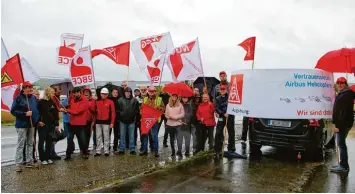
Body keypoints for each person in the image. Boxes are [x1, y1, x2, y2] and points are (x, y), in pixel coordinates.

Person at [11, 81, 39, 172]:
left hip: (31, 124)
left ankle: (29, 161)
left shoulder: (33, 98)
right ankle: (18, 163)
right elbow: (13, 111)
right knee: (21, 144)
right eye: (29, 87)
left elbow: (36, 109)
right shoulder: (18, 98)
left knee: (30, 143)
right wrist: (24, 113)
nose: (31, 88)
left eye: (31, 87)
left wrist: (37, 120)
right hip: (21, 125)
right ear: (24, 89)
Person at [330, 77, 355, 173]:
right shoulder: (343, 94)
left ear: (345, 84)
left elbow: (343, 113)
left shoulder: (347, 94)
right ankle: (342, 164)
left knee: (341, 144)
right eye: (338, 83)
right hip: (342, 124)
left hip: (342, 125)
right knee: (341, 144)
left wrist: (337, 126)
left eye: (342, 83)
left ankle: (344, 166)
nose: (340, 84)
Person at [63, 87, 89, 160]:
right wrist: (66, 107)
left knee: (82, 139)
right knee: (70, 138)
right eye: (73, 93)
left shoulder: (84, 100)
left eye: (75, 93)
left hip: (80, 123)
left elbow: (79, 111)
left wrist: (68, 111)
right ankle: (68, 155)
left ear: (79, 92)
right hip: (72, 122)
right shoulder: (72, 98)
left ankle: (84, 152)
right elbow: (70, 106)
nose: (74, 94)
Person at [140, 86, 165, 157]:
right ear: (148, 92)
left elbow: (163, 109)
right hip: (146, 120)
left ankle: (156, 151)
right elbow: (141, 109)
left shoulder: (159, 99)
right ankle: (145, 150)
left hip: (155, 121)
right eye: (150, 91)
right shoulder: (145, 99)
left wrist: (158, 107)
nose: (151, 93)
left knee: (154, 136)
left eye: (153, 91)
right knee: (145, 135)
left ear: (155, 92)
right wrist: (141, 112)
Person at [37, 87, 59, 165]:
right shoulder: (41, 102)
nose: (53, 94)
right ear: (48, 93)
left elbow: (56, 114)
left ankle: (48, 157)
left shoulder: (53, 102)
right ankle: (42, 158)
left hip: (51, 125)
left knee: (49, 142)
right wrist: (38, 121)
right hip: (43, 124)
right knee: (41, 142)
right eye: (52, 92)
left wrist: (56, 124)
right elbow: (37, 113)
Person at [214, 85, 235, 158]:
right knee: (218, 133)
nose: (222, 91)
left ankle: (231, 148)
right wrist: (223, 113)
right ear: (219, 90)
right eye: (221, 90)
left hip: (230, 117)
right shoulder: (217, 98)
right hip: (221, 117)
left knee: (231, 132)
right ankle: (217, 149)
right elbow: (216, 108)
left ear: (226, 90)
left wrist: (229, 112)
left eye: (224, 89)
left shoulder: (230, 97)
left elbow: (234, 106)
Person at [117, 87, 139, 155]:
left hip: (131, 121)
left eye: (129, 92)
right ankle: (121, 149)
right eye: (126, 92)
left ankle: (132, 149)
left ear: (131, 93)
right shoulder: (120, 100)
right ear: (124, 92)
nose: (127, 93)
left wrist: (135, 119)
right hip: (122, 121)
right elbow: (117, 110)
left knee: (131, 136)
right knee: (122, 136)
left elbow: (137, 111)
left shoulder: (135, 100)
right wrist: (120, 117)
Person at [94, 88, 116, 156]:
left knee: (106, 137)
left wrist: (112, 122)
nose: (104, 95)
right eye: (102, 94)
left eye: (105, 94)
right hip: (98, 121)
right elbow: (93, 110)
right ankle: (98, 151)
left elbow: (113, 113)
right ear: (100, 94)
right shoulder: (96, 101)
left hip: (106, 122)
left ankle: (106, 151)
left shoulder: (110, 102)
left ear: (107, 94)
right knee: (98, 137)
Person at [49, 85, 62, 160]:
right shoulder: (53, 98)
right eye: (59, 89)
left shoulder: (57, 98)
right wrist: (56, 123)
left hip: (55, 120)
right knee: (52, 138)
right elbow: (55, 110)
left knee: (53, 138)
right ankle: (50, 153)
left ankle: (52, 152)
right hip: (52, 121)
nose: (60, 91)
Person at [83, 86, 96, 154]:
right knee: (82, 135)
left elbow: (95, 111)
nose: (86, 93)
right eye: (85, 92)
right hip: (82, 121)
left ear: (90, 93)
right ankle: (83, 149)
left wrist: (93, 121)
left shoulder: (93, 100)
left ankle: (86, 148)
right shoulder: (81, 100)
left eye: (87, 92)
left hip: (90, 120)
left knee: (88, 135)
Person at [109, 88, 121, 152]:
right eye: (114, 92)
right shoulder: (109, 99)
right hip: (109, 119)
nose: (115, 93)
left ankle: (115, 147)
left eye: (116, 92)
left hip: (117, 119)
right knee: (108, 134)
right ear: (112, 93)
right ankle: (107, 147)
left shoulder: (119, 100)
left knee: (116, 134)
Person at [137, 85, 147, 151]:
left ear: (146, 90)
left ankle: (151, 146)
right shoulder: (136, 98)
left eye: (144, 90)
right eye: (142, 90)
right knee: (142, 133)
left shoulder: (150, 97)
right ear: (140, 90)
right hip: (140, 118)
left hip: (148, 119)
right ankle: (142, 146)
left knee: (150, 134)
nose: (143, 91)